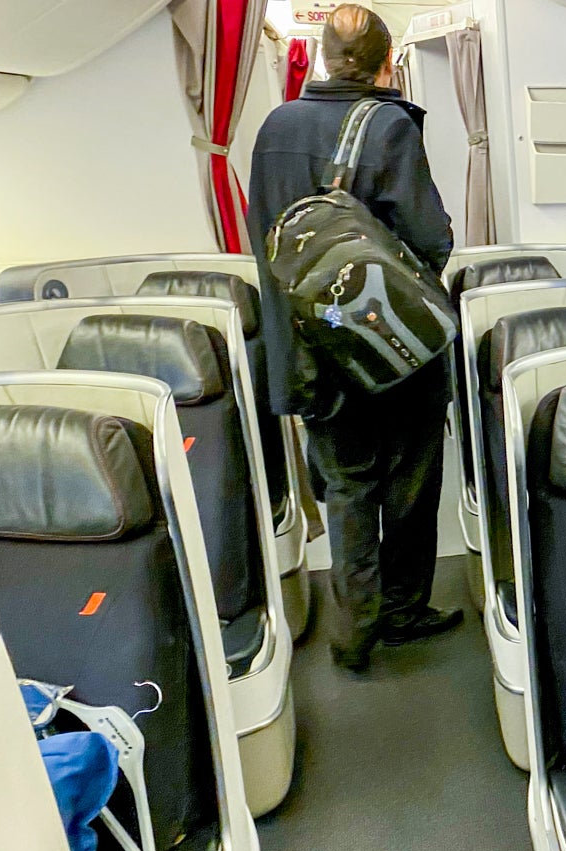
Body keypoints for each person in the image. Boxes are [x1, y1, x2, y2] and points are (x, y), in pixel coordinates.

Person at [247, 4, 460, 672]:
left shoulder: (274, 128)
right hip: (388, 354)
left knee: (345, 486)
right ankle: (400, 609)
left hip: (312, 355)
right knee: (408, 485)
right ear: (385, 63)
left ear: (317, 58)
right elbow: (432, 240)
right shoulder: (389, 127)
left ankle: (354, 627)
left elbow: (264, 241)